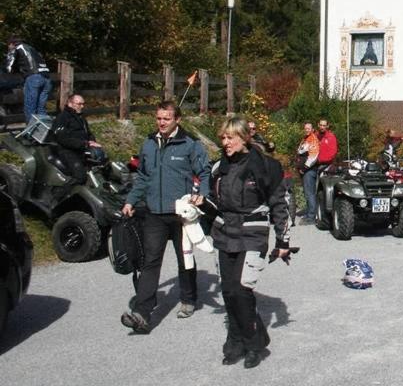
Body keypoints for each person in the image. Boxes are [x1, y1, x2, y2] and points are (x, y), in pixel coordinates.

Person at [190, 116, 290, 368]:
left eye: (230, 137)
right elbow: (216, 203)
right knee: (227, 291)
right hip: (224, 233)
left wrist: (283, 240)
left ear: (244, 138)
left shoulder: (267, 167)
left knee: (241, 291)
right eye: (222, 137)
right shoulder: (218, 168)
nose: (225, 142)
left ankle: (254, 343)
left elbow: (279, 205)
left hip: (252, 233)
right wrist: (202, 203)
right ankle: (235, 342)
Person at [119, 101, 210, 334]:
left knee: (184, 258)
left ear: (177, 120)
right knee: (150, 261)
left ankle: (188, 299)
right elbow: (142, 177)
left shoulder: (190, 144)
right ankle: (142, 313)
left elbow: (204, 172)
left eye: (166, 118)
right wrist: (131, 200)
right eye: (159, 118)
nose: (161, 122)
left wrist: (202, 196)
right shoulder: (149, 144)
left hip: (181, 215)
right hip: (154, 214)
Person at [50, 93, 102, 189]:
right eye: (79, 104)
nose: (82, 106)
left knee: (101, 167)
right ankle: (59, 196)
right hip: (67, 151)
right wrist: (84, 143)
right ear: (70, 103)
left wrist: (92, 142)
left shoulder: (80, 117)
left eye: (83, 104)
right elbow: (62, 139)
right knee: (80, 176)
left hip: (81, 149)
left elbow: (88, 133)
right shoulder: (62, 117)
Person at [5, 36, 51, 123]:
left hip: (34, 77)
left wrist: (10, 55)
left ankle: (31, 133)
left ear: (12, 44)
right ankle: (42, 133)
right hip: (47, 78)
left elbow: (9, 68)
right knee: (41, 108)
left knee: (30, 107)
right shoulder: (32, 48)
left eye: (8, 45)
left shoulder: (17, 48)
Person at [306, 118, 338, 221]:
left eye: (324, 125)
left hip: (325, 166)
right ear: (318, 125)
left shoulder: (331, 137)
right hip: (312, 165)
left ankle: (323, 214)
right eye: (321, 125)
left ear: (327, 126)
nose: (322, 127)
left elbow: (332, 153)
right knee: (309, 190)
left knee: (322, 190)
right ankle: (311, 213)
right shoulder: (314, 136)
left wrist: (319, 160)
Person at [295, 122, 319, 223]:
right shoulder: (306, 138)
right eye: (305, 128)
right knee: (307, 193)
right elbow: (300, 151)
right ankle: (309, 212)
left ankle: (311, 217)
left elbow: (313, 157)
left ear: (312, 129)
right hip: (305, 171)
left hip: (309, 171)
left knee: (310, 193)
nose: (306, 130)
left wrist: (304, 168)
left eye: (308, 128)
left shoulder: (313, 139)